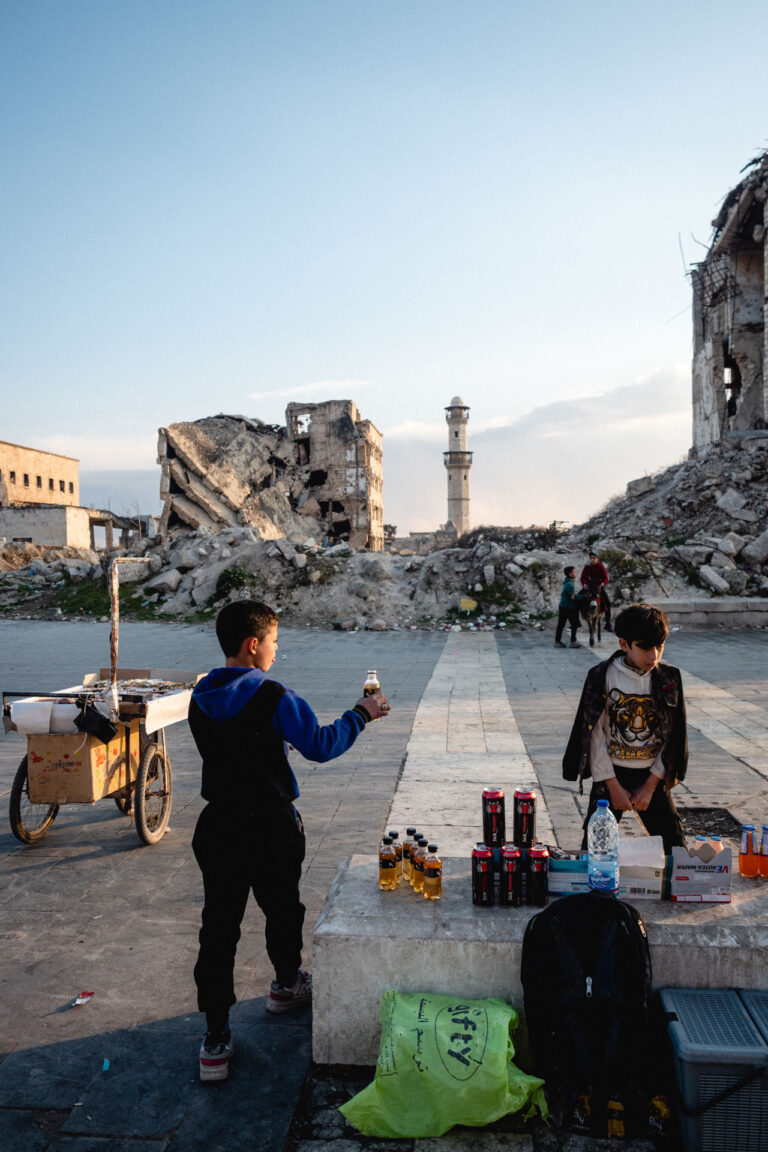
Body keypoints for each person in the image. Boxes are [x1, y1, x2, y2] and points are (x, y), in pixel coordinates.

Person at [188, 599, 390, 1082]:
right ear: (253, 645)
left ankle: (215, 1038)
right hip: (270, 827)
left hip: (218, 828)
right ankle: (284, 985)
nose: (277, 652)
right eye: (274, 642)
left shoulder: (200, 694)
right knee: (282, 909)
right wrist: (361, 714)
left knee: (218, 928)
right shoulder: (275, 695)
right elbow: (320, 745)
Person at [562, 602, 687, 853]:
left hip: (653, 775)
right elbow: (594, 736)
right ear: (624, 644)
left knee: (677, 851)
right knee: (594, 851)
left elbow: (673, 737)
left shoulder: (668, 679)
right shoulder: (601, 676)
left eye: (659, 646)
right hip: (611, 775)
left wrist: (651, 785)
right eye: (644, 647)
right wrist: (612, 785)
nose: (653, 656)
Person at [580, 550, 612, 631]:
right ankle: (576, 622)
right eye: (591, 558)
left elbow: (606, 578)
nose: (592, 559)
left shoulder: (600, 566)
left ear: (597, 559)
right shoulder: (587, 567)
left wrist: (602, 584)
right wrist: (584, 584)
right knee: (577, 600)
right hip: (589, 587)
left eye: (594, 558)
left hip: (598, 587)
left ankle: (608, 623)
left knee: (607, 603)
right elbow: (582, 578)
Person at [554, 565, 582, 649]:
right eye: (574, 572)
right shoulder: (570, 584)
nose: (575, 573)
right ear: (570, 574)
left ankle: (559, 641)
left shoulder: (569, 582)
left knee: (564, 624)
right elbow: (573, 597)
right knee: (570, 624)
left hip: (565, 606)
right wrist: (584, 596)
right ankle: (571, 642)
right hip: (567, 607)